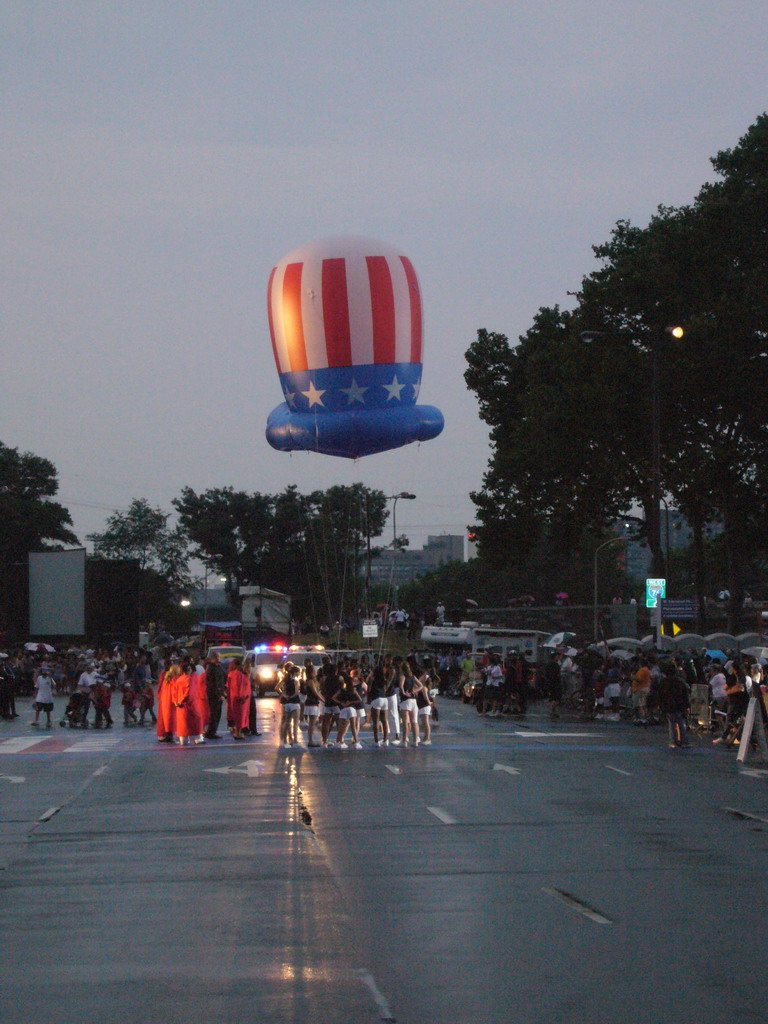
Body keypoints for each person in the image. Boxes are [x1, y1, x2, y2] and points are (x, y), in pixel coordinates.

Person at [659, 662, 690, 748]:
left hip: (669, 705)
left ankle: (673, 742)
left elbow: (661, 695)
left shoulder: (664, 682)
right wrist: (687, 706)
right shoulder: (680, 682)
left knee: (672, 725)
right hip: (680, 705)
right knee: (682, 724)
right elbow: (685, 694)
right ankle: (684, 741)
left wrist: (662, 706)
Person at [277, 664, 302, 748]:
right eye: (299, 672)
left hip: (286, 703)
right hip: (294, 702)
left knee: (286, 722)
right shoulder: (296, 680)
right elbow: (296, 692)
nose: (299, 674)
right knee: (295, 723)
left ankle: (284, 740)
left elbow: (277, 687)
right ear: (296, 672)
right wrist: (292, 696)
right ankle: (295, 740)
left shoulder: (286, 679)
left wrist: (284, 695)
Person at [226, 657, 251, 740]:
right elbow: (239, 686)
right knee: (240, 716)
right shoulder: (238, 675)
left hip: (233, 697)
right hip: (239, 698)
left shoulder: (231, 674)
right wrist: (241, 697)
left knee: (236, 715)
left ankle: (235, 730)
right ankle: (237, 733)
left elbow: (228, 686)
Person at [204, 652, 226, 739]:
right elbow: (214, 683)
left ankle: (212, 731)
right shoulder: (212, 668)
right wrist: (219, 694)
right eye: (218, 657)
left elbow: (223, 678)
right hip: (214, 695)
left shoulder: (218, 667)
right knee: (214, 713)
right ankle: (211, 732)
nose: (220, 658)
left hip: (217, 693)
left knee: (217, 713)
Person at [368, 660, 390, 746]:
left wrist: (369, 698)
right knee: (384, 721)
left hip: (376, 699)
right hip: (384, 699)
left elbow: (369, 689)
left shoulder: (372, 679)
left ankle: (376, 741)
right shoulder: (383, 679)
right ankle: (385, 739)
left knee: (376, 721)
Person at [398, 660, 420, 747]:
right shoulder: (413, 677)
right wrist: (415, 690)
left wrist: (404, 693)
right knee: (414, 721)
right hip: (413, 700)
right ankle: (415, 740)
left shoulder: (403, 676)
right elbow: (421, 685)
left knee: (406, 722)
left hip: (405, 700)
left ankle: (404, 740)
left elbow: (401, 686)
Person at [303, 662, 324, 747]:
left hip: (313, 702)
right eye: (314, 671)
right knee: (312, 722)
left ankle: (311, 740)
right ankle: (310, 740)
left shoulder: (313, 681)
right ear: (311, 672)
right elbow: (315, 693)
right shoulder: (311, 681)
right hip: (312, 702)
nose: (316, 672)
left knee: (312, 721)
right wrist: (323, 700)